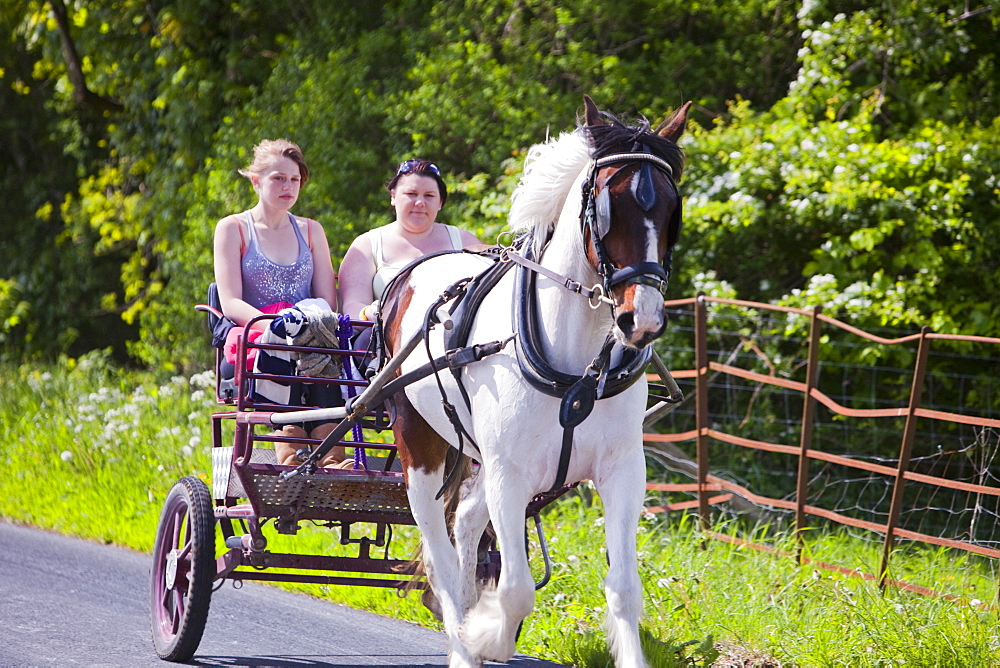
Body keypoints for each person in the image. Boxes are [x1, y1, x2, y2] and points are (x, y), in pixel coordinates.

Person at [213, 138, 350, 468]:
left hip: (309, 332)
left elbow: (325, 301)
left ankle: (330, 454)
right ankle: (290, 446)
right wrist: (275, 326)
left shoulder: (311, 230)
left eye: (294, 179)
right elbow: (230, 301)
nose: (288, 186)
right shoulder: (233, 228)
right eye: (278, 178)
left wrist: (303, 327)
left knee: (318, 338)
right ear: (256, 180)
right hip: (255, 333)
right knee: (288, 340)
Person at [338, 159, 481, 326]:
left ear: (440, 202)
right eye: (411, 194)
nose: (420, 202)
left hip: (456, 338)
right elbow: (352, 307)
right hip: (387, 341)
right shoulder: (366, 246)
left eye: (429, 196)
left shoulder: (465, 241)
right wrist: (370, 312)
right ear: (393, 196)